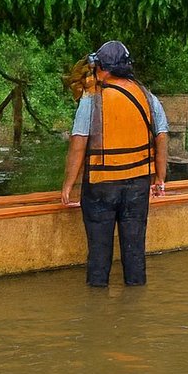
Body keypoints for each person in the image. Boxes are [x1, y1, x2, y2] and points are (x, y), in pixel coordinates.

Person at [61, 41, 169, 287]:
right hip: (138, 185)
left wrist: (69, 184)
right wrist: (160, 178)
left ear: (102, 67)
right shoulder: (147, 96)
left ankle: (97, 303)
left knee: (99, 254)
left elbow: (78, 142)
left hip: (101, 185)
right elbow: (161, 136)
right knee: (135, 251)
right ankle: (135, 298)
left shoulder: (92, 98)